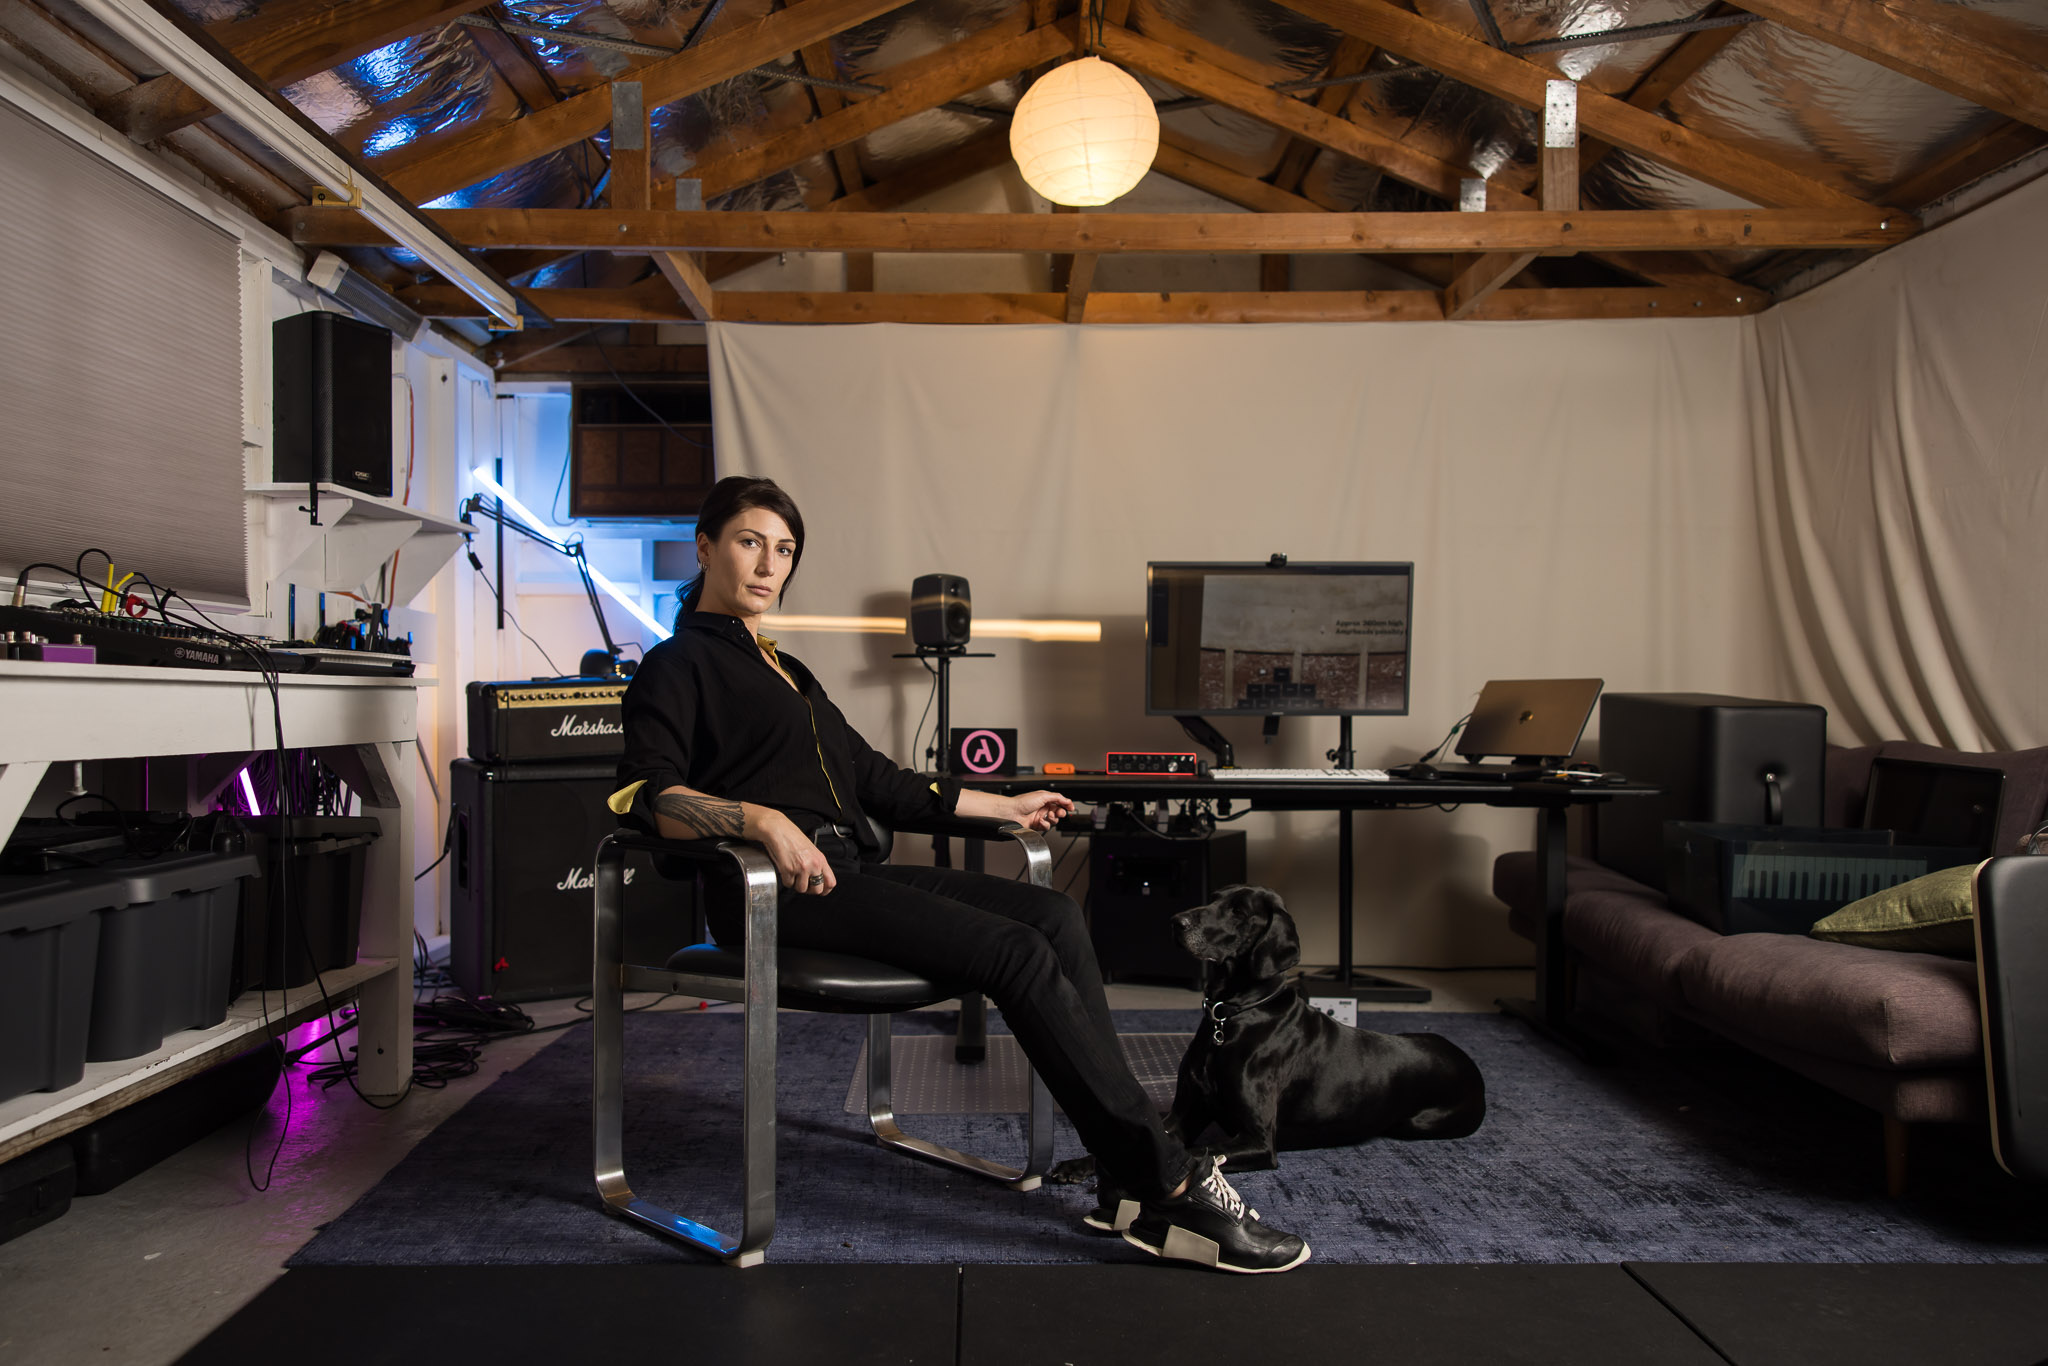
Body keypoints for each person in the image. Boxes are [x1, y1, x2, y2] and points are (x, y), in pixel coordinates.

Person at [609, 475, 1308, 1274]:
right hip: (773, 896)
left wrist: (1002, 807)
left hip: (846, 877)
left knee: (1056, 919)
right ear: (704, 547)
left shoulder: (789, 673)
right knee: (1012, 952)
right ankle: (1168, 1182)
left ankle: (1127, 1172)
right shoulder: (674, 666)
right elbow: (650, 796)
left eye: (785, 549)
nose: (769, 565)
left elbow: (880, 780)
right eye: (749, 542)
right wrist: (761, 821)